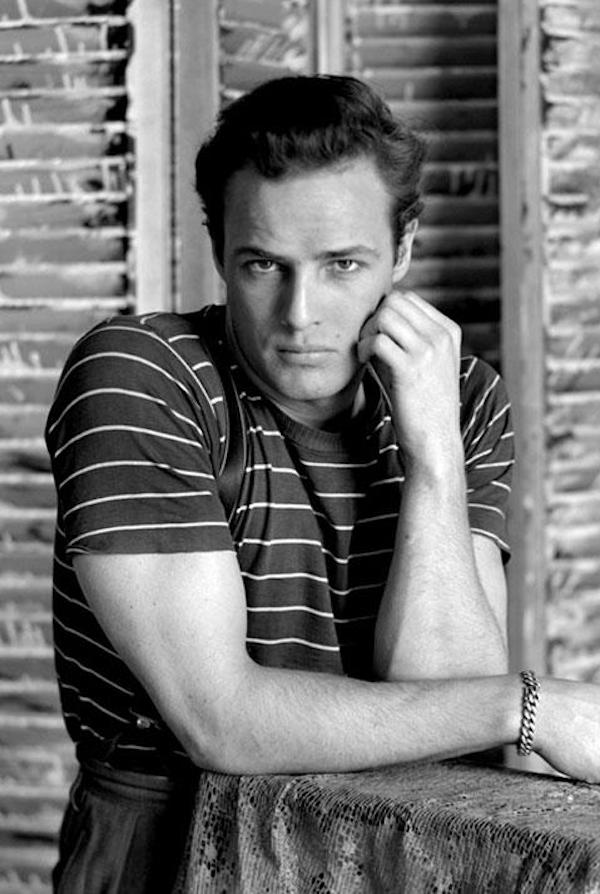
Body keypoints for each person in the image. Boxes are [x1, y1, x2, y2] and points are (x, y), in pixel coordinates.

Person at [45, 74, 600, 893]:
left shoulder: (459, 395)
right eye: (263, 264)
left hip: (398, 840)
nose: (300, 314)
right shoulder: (141, 377)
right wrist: (530, 706)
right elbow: (221, 722)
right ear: (218, 246)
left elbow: (441, 701)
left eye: (343, 264)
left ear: (402, 250)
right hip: (167, 843)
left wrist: (434, 460)